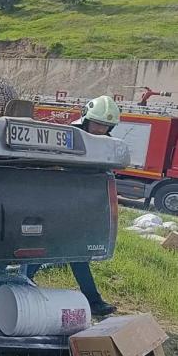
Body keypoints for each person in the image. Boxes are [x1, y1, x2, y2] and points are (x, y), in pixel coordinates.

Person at [26, 95, 120, 316]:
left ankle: (20, 282)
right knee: (50, 248)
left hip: (82, 207)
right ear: (86, 119)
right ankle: (92, 301)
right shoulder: (68, 137)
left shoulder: (106, 144)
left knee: (73, 251)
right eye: (97, 124)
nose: (100, 130)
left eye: (105, 126)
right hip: (56, 203)